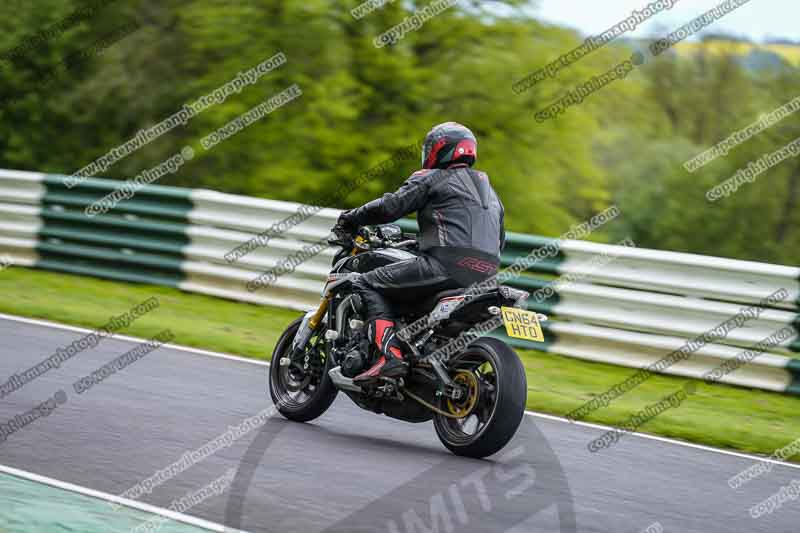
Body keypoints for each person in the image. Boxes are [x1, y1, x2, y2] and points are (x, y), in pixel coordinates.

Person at [335, 122, 505, 383]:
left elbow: (390, 206)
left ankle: (389, 357)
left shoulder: (431, 178)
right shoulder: (491, 193)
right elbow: (498, 239)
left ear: (439, 149)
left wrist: (351, 218)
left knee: (364, 282)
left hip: (446, 266)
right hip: (487, 275)